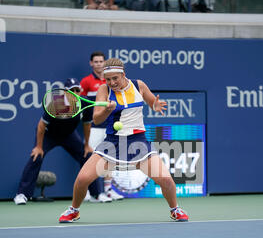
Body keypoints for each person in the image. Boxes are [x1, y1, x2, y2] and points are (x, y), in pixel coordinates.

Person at [59, 58, 189, 223]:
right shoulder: (103, 90)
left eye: (115, 78)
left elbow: (151, 102)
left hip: (138, 143)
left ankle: (175, 209)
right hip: (112, 144)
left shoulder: (138, 85)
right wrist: (107, 110)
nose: (112, 82)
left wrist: (155, 105)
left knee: (166, 180)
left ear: (123, 74)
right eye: (108, 79)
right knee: (82, 179)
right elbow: (97, 120)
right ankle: (74, 210)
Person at [13, 78, 101, 205]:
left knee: (87, 156)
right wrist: (38, 146)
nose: (75, 92)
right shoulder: (56, 103)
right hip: (50, 135)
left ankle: (96, 194)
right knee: (36, 156)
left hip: (69, 136)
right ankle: (22, 194)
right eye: (72, 90)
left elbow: (86, 124)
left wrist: (87, 145)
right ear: (65, 92)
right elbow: (41, 125)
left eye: (77, 90)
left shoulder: (84, 104)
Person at [80, 51, 124, 202]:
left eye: (101, 61)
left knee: (110, 158)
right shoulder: (86, 82)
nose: (98, 64)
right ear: (91, 64)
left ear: (104, 63)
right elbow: (81, 102)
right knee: (89, 157)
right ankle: (85, 190)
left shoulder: (111, 81)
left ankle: (108, 190)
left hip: (110, 126)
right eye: (96, 61)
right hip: (93, 126)